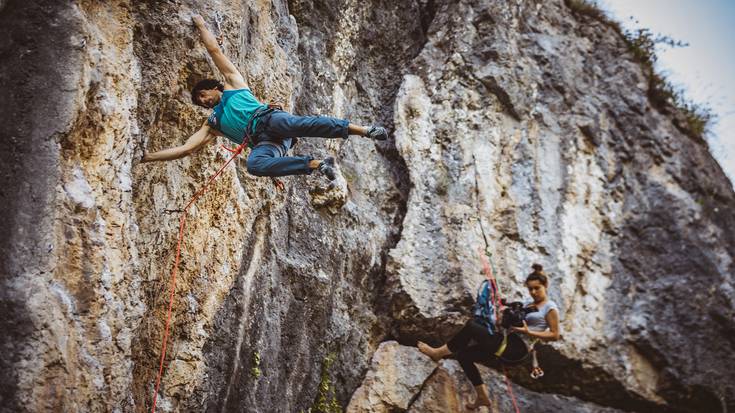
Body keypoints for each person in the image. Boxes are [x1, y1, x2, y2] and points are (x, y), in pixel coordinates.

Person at [141, 14, 388, 182]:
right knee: (255, 166)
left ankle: (365, 130)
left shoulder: (233, 85)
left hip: (271, 121)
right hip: (265, 143)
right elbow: (186, 149)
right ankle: (315, 165)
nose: (203, 101)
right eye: (199, 102)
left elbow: (214, 51)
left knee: (299, 124)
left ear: (215, 87)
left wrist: (202, 26)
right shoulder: (212, 124)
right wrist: (147, 157)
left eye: (202, 95)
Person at [417, 264, 561, 410]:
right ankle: (482, 396)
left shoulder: (550, 307)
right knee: (464, 356)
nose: (533, 292)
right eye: (530, 289)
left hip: (516, 348)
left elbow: (555, 335)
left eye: (537, 288)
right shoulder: (528, 304)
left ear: (545, 285)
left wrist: (529, 332)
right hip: (505, 341)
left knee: (472, 327)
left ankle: (437, 353)